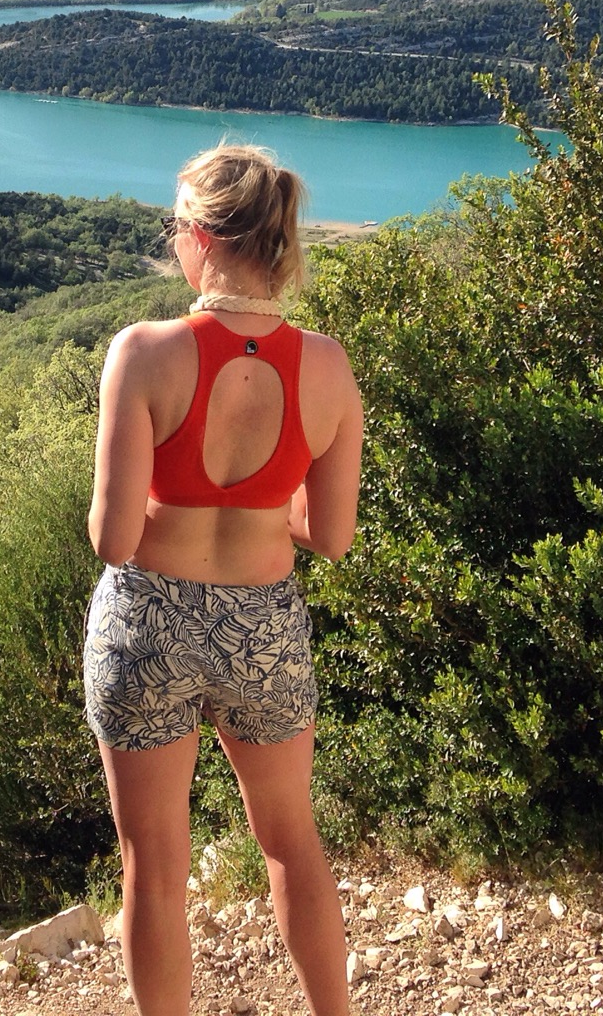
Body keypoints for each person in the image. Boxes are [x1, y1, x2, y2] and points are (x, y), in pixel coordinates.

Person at [85, 143, 365, 1016]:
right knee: (290, 841)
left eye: (175, 225)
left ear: (203, 238)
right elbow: (332, 536)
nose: (172, 240)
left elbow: (111, 537)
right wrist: (258, 504)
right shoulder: (328, 366)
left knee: (154, 868)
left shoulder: (143, 352)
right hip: (265, 629)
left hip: (147, 624)